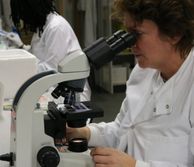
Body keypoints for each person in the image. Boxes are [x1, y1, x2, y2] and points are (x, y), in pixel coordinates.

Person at [66, 0, 194, 166]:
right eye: (127, 33)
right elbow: (124, 129)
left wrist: (134, 165)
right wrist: (84, 132)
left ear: (174, 34)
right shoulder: (143, 71)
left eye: (137, 33)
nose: (130, 43)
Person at [7, 0, 91, 101]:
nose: (22, 18)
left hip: (68, 94)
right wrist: (21, 46)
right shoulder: (43, 24)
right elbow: (38, 54)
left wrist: (20, 67)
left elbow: (51, 70)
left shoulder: (56, 27)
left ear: (32, 8)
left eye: (23, 13)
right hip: (53, 87)